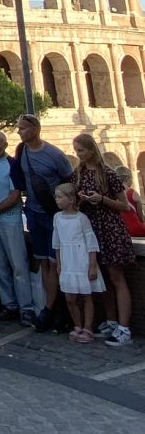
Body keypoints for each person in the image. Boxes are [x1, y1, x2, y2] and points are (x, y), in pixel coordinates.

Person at [11, 115, 75, 333]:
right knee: (45, 264)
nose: (19, 132)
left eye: (23, 128)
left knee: (55, 263)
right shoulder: (21, 151)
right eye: (18, 128)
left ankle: (53, 310)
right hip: (34, 214)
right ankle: (51, 308)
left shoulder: (55, 154)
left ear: (36, 129)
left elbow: (70, 182)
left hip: (53, 215)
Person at [73, 133, 134, 347]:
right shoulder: (78, 173)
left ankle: (124, 328)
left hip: (110, 229)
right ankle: (111, 321)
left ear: (91, 150)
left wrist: (101, 199)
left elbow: (125, 206)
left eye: (81, 150)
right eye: (76, 150)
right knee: (103, 279)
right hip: (92, 230)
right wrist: (79, 200)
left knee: (117, 278)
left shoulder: (107, 173)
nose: (78, 154)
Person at [0, 131, 34, 326]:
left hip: (10, 219)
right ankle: (9, 303)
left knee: (18, 264)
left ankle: (26, 307)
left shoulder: (12, 164)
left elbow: (14, 196)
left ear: (4, 144)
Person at [53, 181, 104, 343]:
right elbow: (57, 242)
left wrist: (92, 264)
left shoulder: (82, 219)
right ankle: (77, 324)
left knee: (86, 295)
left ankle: (87, 327)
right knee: (70, 296)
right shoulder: (57, 217)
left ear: (71, 199)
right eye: (56, 197)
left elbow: (91, 243)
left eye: (60, 197)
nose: (57, 200)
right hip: (67, 260)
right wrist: (59, 263)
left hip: (81, 259)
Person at [116, 166, 145, 238]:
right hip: (137, 229)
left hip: (122, 231)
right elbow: (141, 217)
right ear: (128, 178)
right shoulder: (133, 193)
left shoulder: (113, 194)